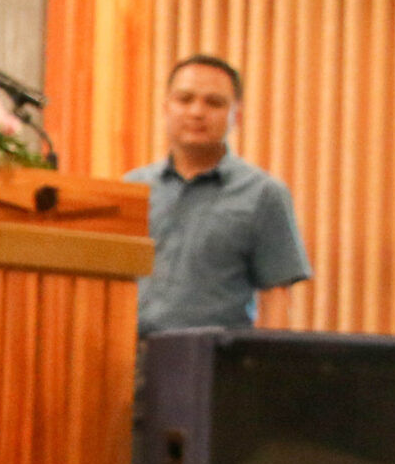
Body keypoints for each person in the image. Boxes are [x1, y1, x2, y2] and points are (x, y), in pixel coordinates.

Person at [125, 53, 311, 334]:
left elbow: (276, 295)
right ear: (166, 108)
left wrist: (269, 360)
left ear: (236, 115)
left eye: (214, 102)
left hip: (216, 357)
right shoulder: (132, 187)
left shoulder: (264, 194)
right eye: (184, 99)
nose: (197, 112)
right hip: (130, 353)